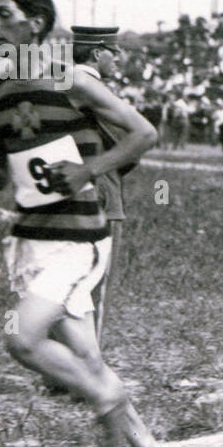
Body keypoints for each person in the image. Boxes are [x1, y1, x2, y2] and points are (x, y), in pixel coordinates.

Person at [0, 0, 165, 447]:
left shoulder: (71, 81)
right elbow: (1, 177)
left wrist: (89, 169)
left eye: (3, 15)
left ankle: (105, 399)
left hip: (78, 237)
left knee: (22, 339)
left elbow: (144, 134)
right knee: (87, 356)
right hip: (31, 237)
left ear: (36, 23)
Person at [70, 26, 131, 352]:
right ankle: (85, 366)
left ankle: (59, 369)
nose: (118, 57)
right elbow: (129, 141)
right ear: (97, 53)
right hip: (101, 195)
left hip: (67, 196)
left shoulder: (61, 82)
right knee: (94, 287)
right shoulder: (93, 89)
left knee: (65, 284)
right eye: (113, 51)